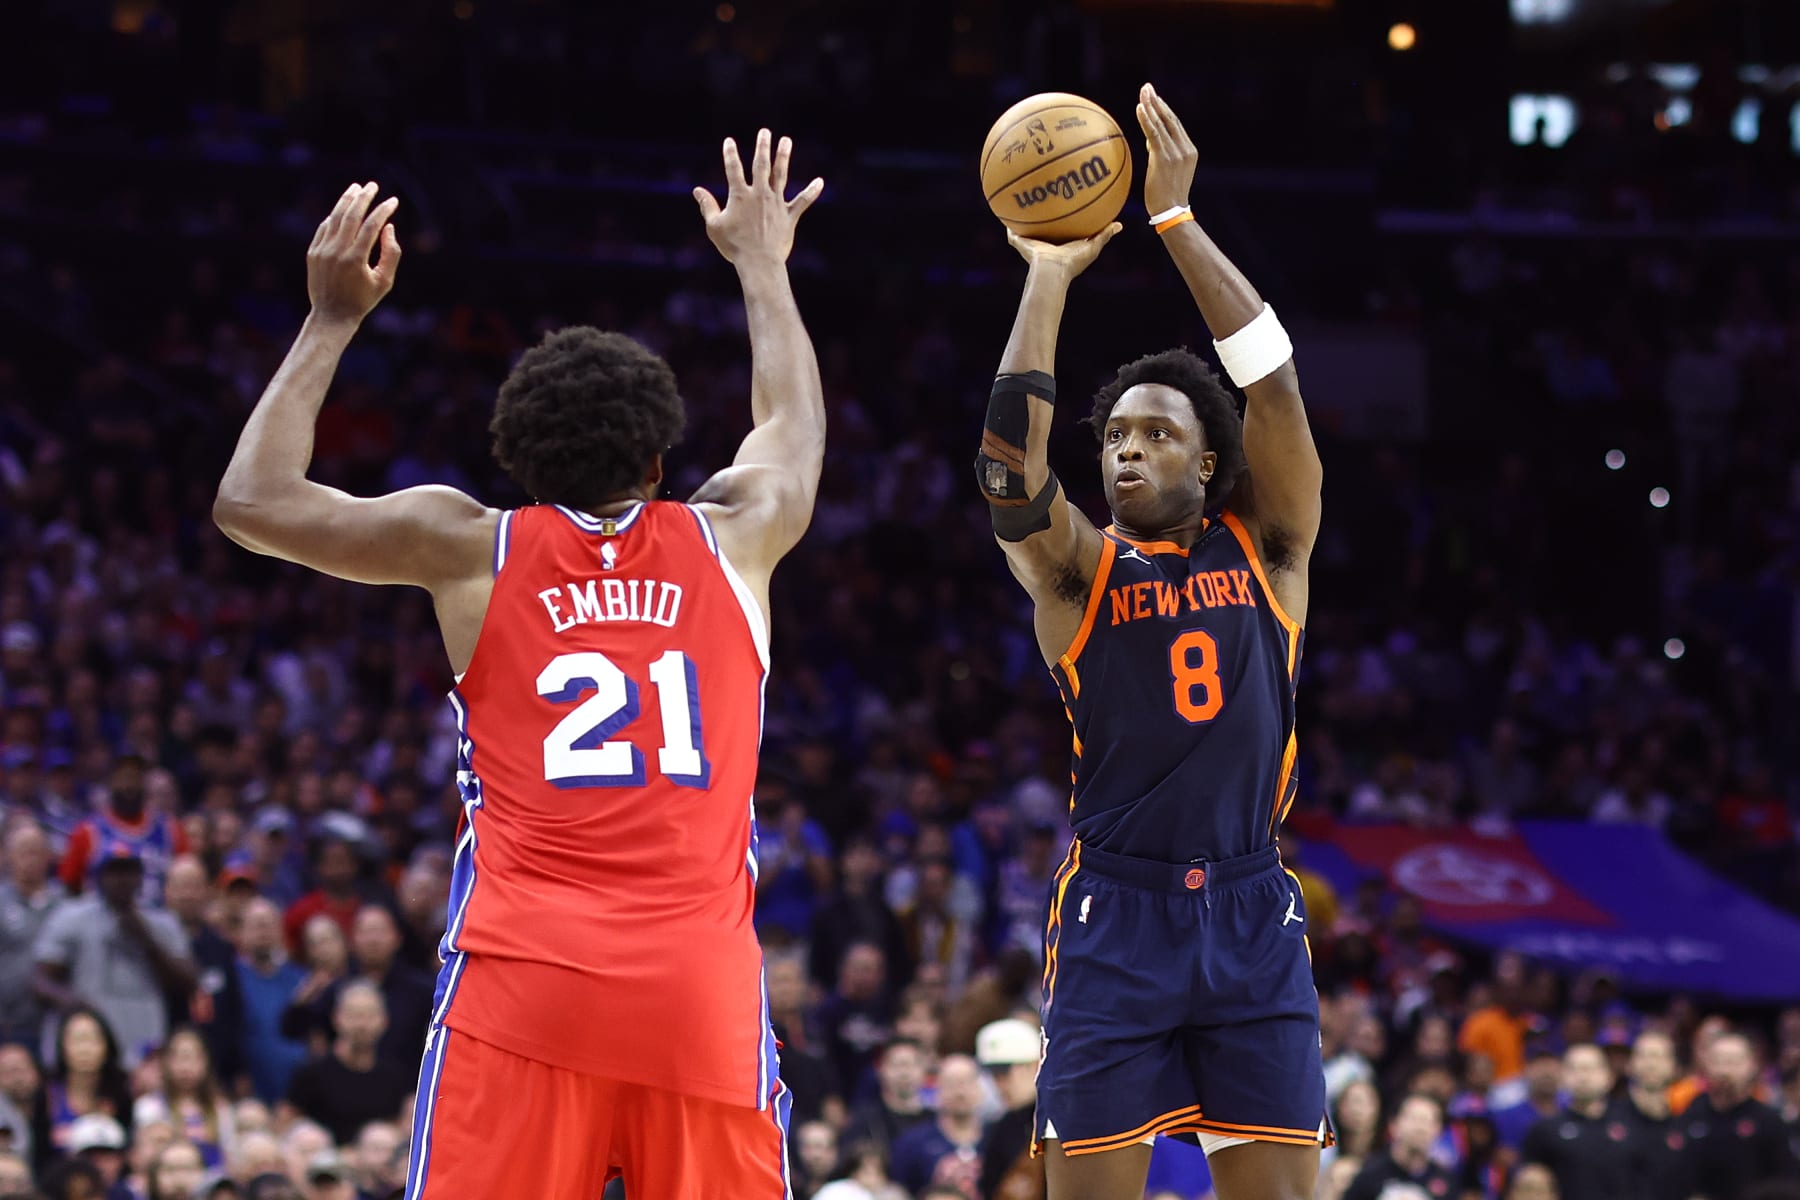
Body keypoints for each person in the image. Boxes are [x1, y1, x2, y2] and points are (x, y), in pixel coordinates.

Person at [213, 127, 826, 1197]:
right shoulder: (735, 536)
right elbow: (790, 425)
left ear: (519, 456)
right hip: (699, 994)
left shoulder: (471, 548)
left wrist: (328, 319)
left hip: (523, 988)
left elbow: (253, 505)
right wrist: (762, 265)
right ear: (658, 452)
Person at [975, 83, 1326, 1200]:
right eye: (1116, 434)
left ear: (1208, 462)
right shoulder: (1081, 568)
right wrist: (1043, 276)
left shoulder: (1268, 545)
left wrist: (1176, 224)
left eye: (1157, 434)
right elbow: (1005, 478)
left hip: (1250, 905)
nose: (1126, 451)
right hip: (1115, 917)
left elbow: (1269, 379)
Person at [33, 848, 196, 1069]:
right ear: (99, 877)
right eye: (114, 872)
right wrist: (72, 1002)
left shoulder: (162, 923)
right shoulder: (72, 917)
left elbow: (190, 982)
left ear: (140, 877)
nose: (122, 880)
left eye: (129, 872)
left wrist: (147, 941)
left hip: (146, 1045)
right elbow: (40, 980)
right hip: (90, 1046)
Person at [281, 983, 411, 1147]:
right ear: (336, 1018)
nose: (362, 1025)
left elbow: (402, 1127)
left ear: (384, 1021)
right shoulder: (312, 1073)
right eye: (354, 1015)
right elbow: (285, 1122)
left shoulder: (395, 1076)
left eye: (370, 1016)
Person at [1681, 1032, 1797, 1200]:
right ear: (1705, 1066)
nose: (1724, 1070)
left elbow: (1785, 1182)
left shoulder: (1769, 1121)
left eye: (1733, 1062)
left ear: (1752, 1066)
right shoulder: (1691, 1113)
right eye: (1718, 1061)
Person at [57, 757, 188, 901]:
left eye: (135, 777)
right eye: (124, 777)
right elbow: (68, 886)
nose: (130, 785)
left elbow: (188, 878)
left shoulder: (170, 829)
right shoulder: (87, 831)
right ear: (111, 782)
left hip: (158, 918)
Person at [1519, 1043, 1636, 1200]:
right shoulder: (1545, 1130)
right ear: (1562, 1077)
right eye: (1574, 1069)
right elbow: (1531, 1186)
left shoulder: (1633, 1124)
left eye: (1591, 1068)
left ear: (1609, 1077)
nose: (1583, 1076)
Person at [0, 820, 64, 1046]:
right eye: (23, 852)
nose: (30, 859)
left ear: (49, 856)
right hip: (6, 1021)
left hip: (54, 1021)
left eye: (36, 852)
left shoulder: (64, 905)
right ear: (7, 856)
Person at [889, 1054, 984, 1195]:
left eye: (967, 1082)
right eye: (952, 1084)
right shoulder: (913, 1143)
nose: (960, 1092)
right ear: (938, 1091)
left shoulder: (997, 1137)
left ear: (980, 1088)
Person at [975, 1018, 1045, 1200]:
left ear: (1033, 1065)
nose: (999, 1084)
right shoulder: (1002, 1127)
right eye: (993, 1075)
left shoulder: (1062, 1121)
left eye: (1004, 1073)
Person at [1342, 1094, 1458, 1200]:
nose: (1421, 1128)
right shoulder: (1369, 1174)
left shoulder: (1446, 1181)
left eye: (1428, 1121)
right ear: (1393, 1125)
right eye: (1415, 1119)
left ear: (1438, 1130)